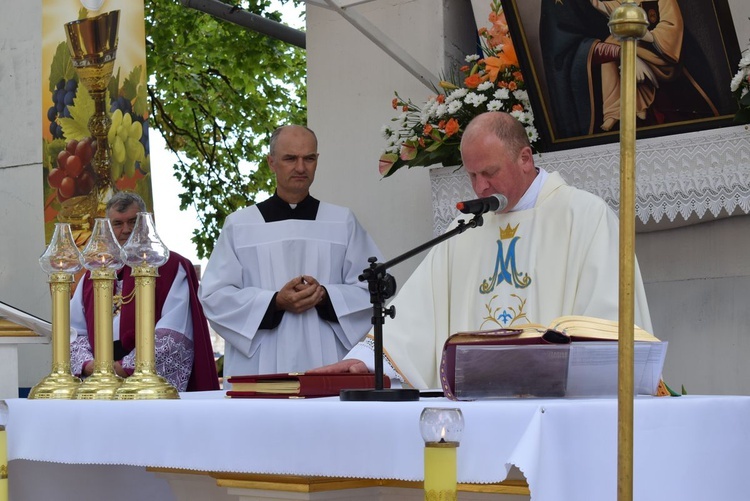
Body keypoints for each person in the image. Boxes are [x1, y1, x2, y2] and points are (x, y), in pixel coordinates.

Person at [311, 112, 652, 389]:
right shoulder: (465, 229)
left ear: (525, 158)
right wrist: (367, 361)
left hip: (556, 405)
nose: (480, 187)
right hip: (474, 408)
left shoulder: (583, 216)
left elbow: (607, 322)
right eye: (472, 175)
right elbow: (418, 313)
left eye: (489, 172)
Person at [198, 125, 383, 378]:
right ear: (271, 162)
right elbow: (214, 296)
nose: (300, 167)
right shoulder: (240, 225)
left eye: (309, 158)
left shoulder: (342, 222)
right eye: (290, 158)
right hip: (260, 365)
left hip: (329, 359)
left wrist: (325, 296)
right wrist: (274, 302)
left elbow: (372, 289)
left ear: (317, 161)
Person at [69, 191, 219, 392]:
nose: (126, 230)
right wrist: (89, 365)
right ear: (108, 228)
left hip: (146, 382)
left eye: (133, 222)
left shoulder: (170, 267)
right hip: (100, 382)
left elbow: (174, 333)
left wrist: (125, 366)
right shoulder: (93, 275)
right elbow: (73, 331)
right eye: (118, 223)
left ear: (147, 223)